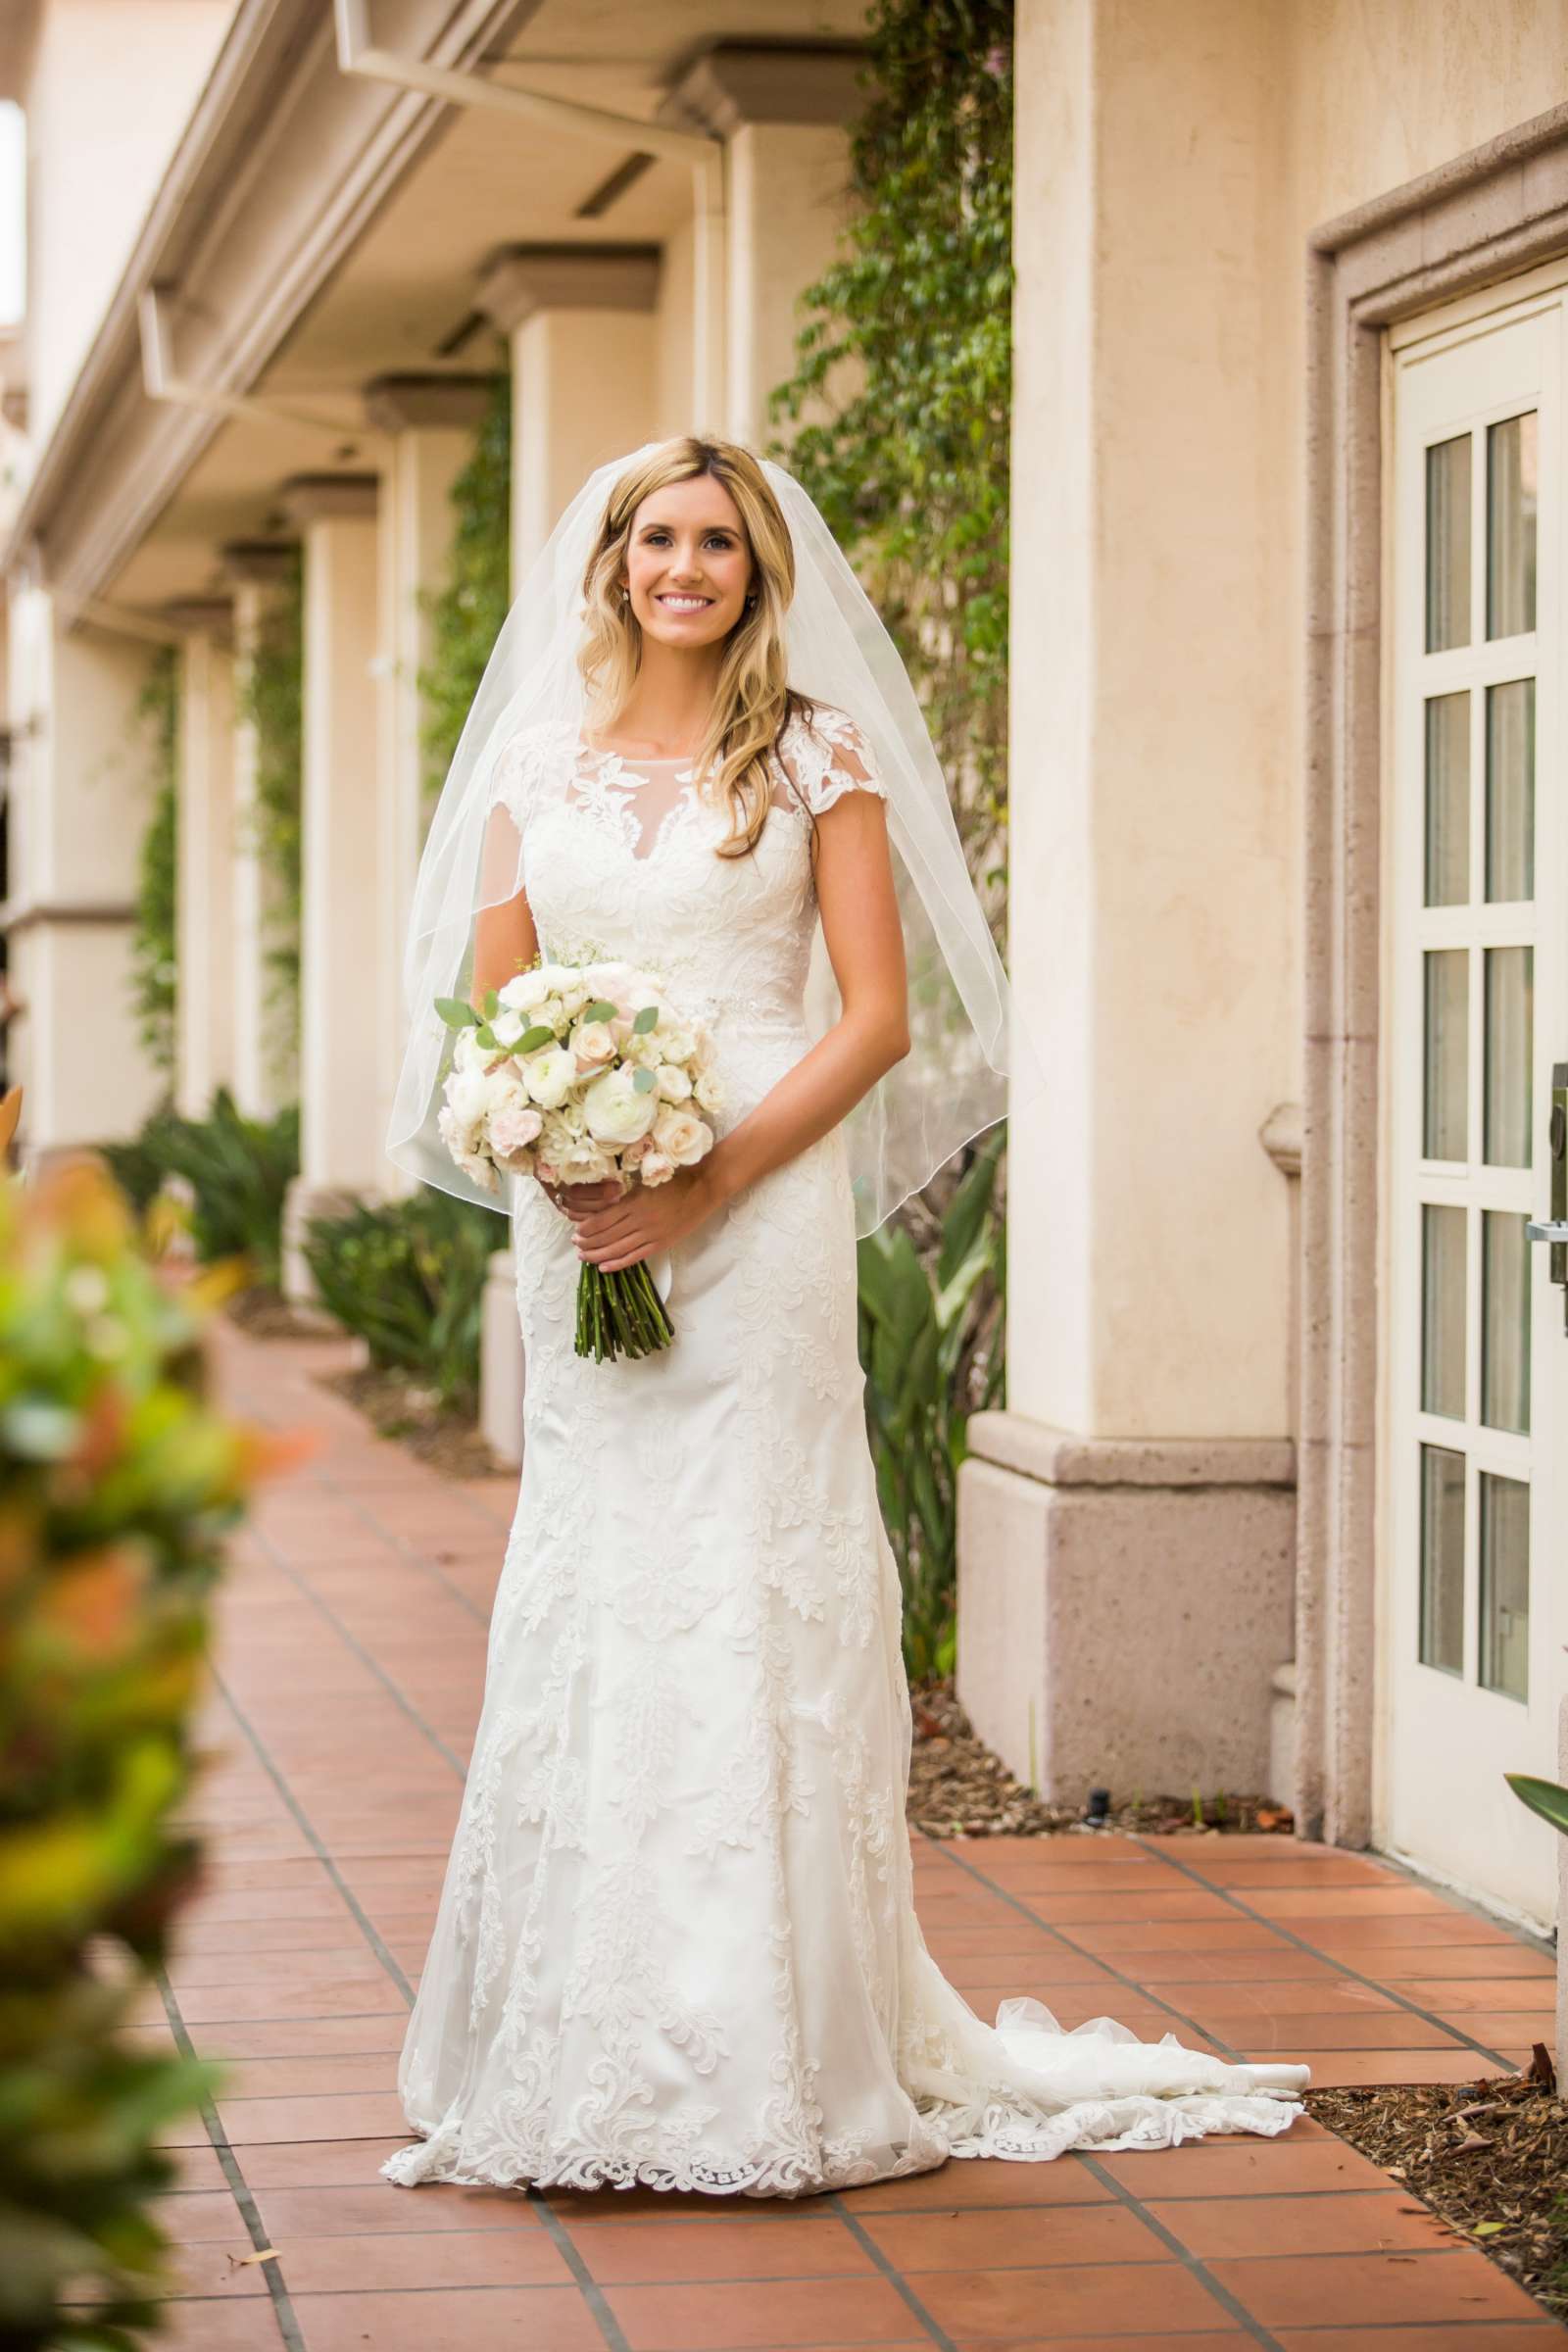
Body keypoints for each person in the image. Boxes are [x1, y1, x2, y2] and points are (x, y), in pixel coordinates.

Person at [380, 435, 1307, 2196]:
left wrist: (705, 1173)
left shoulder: (814, 752)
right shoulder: (535, 763)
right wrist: (568, 1160)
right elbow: (491, 1017)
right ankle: (578, 2040)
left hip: (760, 1207)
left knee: (745, 1573)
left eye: (715, 540)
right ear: (611, 566)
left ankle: (771, 2054)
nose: (683, 566)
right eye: (655, 537)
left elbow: (875, 1017)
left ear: (755, 569)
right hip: (579, 1219)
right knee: (598, 1585)